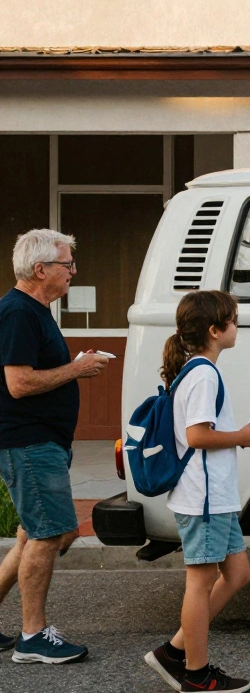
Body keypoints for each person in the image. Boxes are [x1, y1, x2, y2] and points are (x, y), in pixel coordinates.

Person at [142, 290, 250, 692]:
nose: (237, 326)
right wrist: (241, 437)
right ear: (215, 330)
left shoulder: (199, 370)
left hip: (214, 497)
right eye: (233, 320)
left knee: (238, 574)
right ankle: (196, 674)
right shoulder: (203, 375)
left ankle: (174, 651)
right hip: (204, 498)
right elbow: (197, 436)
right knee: (201, 582)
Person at [0, 229, 106, 664]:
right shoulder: (19, 312)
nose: (73, 272)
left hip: (40, 441)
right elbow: (19, 383)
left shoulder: (34, 310)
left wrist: (73, 365)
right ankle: (33, 637)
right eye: (67, 264)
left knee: (35, 533)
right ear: (40, 269)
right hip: (30, 442)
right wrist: (77, 369)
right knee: (49, 535)